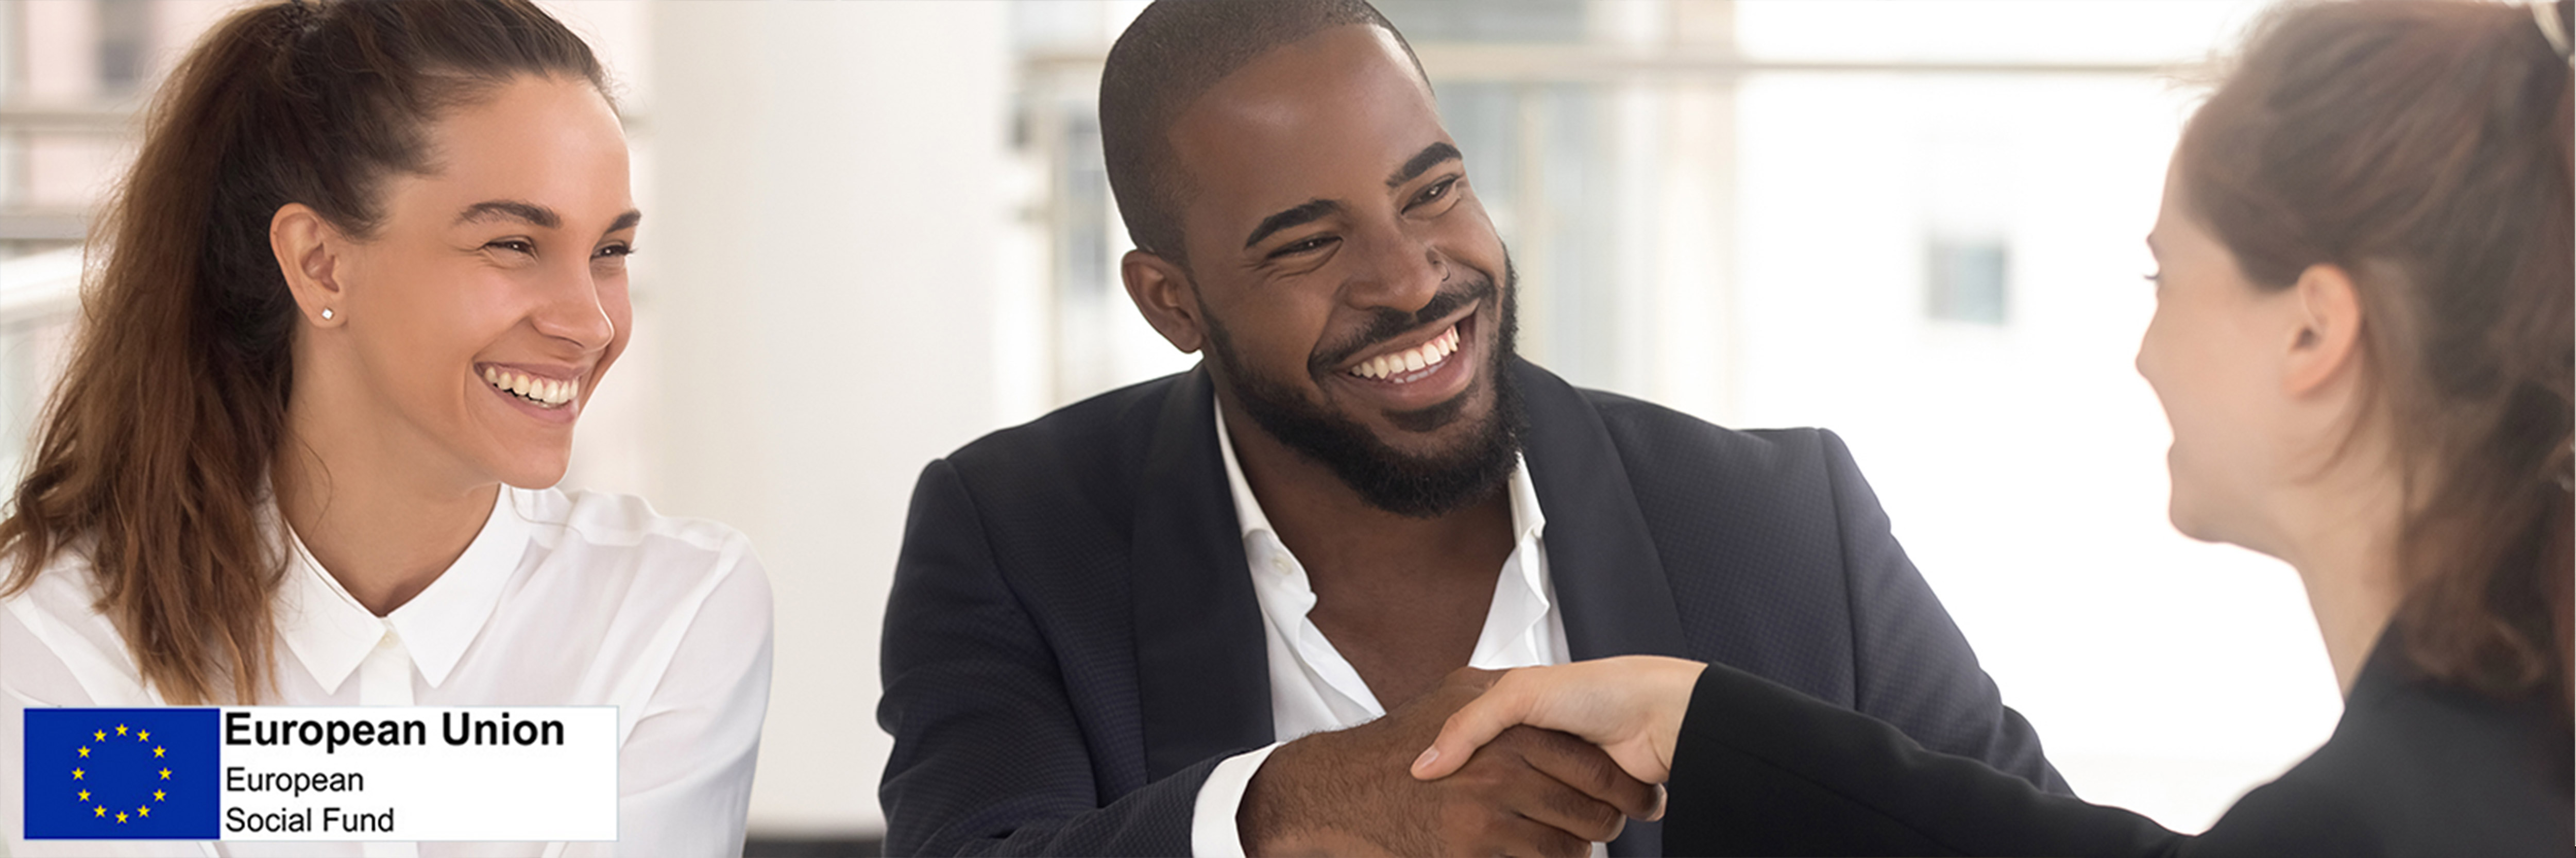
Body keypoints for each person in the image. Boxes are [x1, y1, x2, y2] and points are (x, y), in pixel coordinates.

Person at [875, 2, 2062, 855]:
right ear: (1170, 300)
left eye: (1431, 188)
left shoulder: (1779, 519)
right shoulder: (1013, 532)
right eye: (1306, 241)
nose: (1409, 277)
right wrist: (1290, 806)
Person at [1413, 1, 2576, 855]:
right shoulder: (2505, 738)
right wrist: (1703, 721)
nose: (2144, 351)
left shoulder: (2369, 819)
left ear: (2314, 332)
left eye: (2161, 277)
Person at [0, 1, 773, 854]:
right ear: (320, 262)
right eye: (514, 244)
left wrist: (203, 780)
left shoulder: (673, 609)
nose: (589, 323)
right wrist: (546, 776)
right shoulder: (49, 624)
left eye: (611, 252)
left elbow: (103, 788)